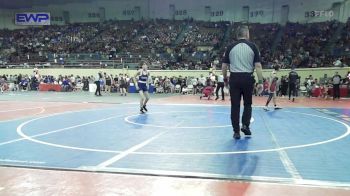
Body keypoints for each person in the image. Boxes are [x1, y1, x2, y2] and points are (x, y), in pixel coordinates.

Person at [222, 25, 264, 139]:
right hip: (247, 78)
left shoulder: (230, 47)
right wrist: (261, 81)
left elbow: (224, 66)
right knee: (247, 104)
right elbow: (258, 66)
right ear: (246, 34)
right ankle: (245, 125)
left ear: (237, 35)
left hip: (234, 78)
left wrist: (225, 80)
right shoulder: (253, 46)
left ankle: (236, 131)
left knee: (235, 105)